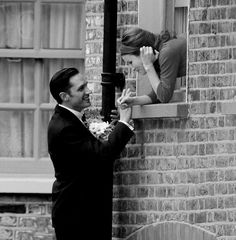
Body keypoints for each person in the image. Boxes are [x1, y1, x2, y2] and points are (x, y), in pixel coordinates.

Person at [47, 67, 134, 240]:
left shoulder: (73, 119)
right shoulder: (64, 128)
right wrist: (124, 122)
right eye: (81, 89)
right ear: (65, 96)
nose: (88, 91)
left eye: (86, 85)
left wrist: (115, 127)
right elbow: (102, 155)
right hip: (76, 215)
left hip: (84, 211)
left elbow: (91, 150)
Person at [119, 27, 187, 107]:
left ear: (142, 52)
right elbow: (156, 95)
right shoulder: (160, 56)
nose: (132, 68)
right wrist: (133, 101)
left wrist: (148, 65)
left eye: (131, 62)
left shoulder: (166, 53)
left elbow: (164, 97)